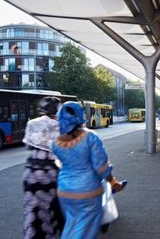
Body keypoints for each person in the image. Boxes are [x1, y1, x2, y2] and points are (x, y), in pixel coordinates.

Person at [51, 101, 127, 239]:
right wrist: (114, 183)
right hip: (88, 191)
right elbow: (101, 167)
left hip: (64, 191)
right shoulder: (90, 137)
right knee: (84, 232)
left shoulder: (55, 142)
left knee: (71, 226)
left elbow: (60, 162)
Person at [22, 96, 64, 239]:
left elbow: (28, 145)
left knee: (32, 208)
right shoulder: (60, 125)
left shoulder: (32, 123)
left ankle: (31, 234)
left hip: (31, 171)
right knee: (51, 208)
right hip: (50, 171)